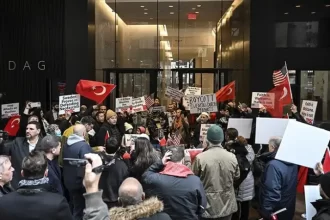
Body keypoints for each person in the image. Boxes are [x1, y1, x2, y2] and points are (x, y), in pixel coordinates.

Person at [0, 151, 72, 220]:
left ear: (22, 173)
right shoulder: (58, 203)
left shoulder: (3, 202)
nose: (12, 169)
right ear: (46, 173)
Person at [143, 146, 206, 220]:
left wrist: (161, 162)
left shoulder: (156, 179)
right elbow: (202, 207)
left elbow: (145, 175)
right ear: (183, 160)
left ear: (166, 159)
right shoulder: (195, 181)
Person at [192, 125, 240, 220]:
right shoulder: (231, 157)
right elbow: (237, 176)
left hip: (207, 206)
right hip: (227, 204)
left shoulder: (200, 158)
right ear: (222, 139)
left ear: (207, 139)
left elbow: (193, 179)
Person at [258, 137, 298, 220]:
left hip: (275, 210)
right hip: (288, 205)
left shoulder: (273, 165)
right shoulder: (293, 162)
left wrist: (266, 211)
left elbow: (272, 192)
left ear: (273, 147)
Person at [63, 124, 92, 220]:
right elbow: (87, 165)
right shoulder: (83, 146)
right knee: (79, 210)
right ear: (84, 133)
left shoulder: (66, 144)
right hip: (79, 183)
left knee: (73, 206)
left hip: (68, 181)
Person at [3, 121, 42, 189]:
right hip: (19, 182)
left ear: (38, 131)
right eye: (27, 129)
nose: (27, 131)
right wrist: (1, 142)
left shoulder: (43, 144)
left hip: (38, 182)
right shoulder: (18, 142)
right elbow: (4, 150)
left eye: (31, 129)